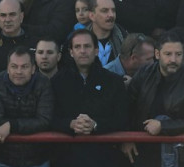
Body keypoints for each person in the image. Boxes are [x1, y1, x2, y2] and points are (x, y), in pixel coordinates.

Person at [122, 32, 184, 166]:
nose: (173, 59)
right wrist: (126, 139)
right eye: (168, 54)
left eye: (178, 54)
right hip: (143, 150)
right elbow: (126, 109)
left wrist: (162, 126)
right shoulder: (143, 75)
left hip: (181, 154)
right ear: (157, 54)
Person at [51, 29, 128, 167]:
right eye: (77, 47)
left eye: (87, 46)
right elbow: (50, 117)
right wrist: (70, 124)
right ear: (71, 52)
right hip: (66, 158)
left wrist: (96, 125)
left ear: (96, 50)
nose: (82, 51)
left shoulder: (114, 82)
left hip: (105, 157)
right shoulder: (56, 82)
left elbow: (122, 118)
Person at [0, 46, 53, 167]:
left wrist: (11, 125)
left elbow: (44, 120)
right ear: (7, 68)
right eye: (14, 66)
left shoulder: (43, 83)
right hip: (5, 158)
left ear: (33, 69)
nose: (19, 71)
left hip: (38, 158)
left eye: (24, 67)